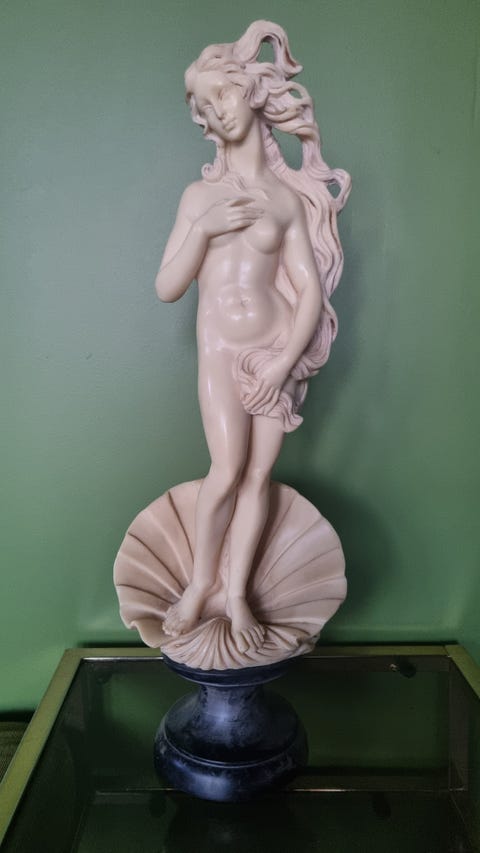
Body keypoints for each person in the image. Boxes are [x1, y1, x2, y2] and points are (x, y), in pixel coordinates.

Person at [155, 21, 351, 654]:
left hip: (273, 353)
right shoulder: (199, 197)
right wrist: (205, 227)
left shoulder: (287, 200)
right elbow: (168, 286)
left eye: (225, 95)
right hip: (221, 352)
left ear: (254, 94)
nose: (218, 111)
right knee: (226, 470)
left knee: (258, 477)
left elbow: (309, 291)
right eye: (205, 105)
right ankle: (199, 585)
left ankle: (236, 593)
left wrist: (283, 362)